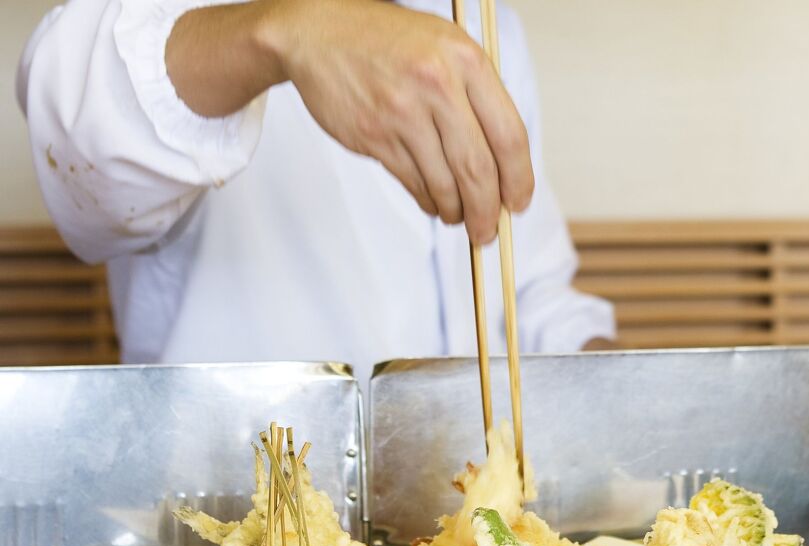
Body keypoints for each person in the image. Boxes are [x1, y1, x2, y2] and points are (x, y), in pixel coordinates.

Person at [16, 0, 615, 380]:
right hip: (223, 510)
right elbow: (78, 144)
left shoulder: (487, 24)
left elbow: (528, 289)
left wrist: (623, 387)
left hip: (450, 507)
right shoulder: (181, 13)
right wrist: (286, 31)